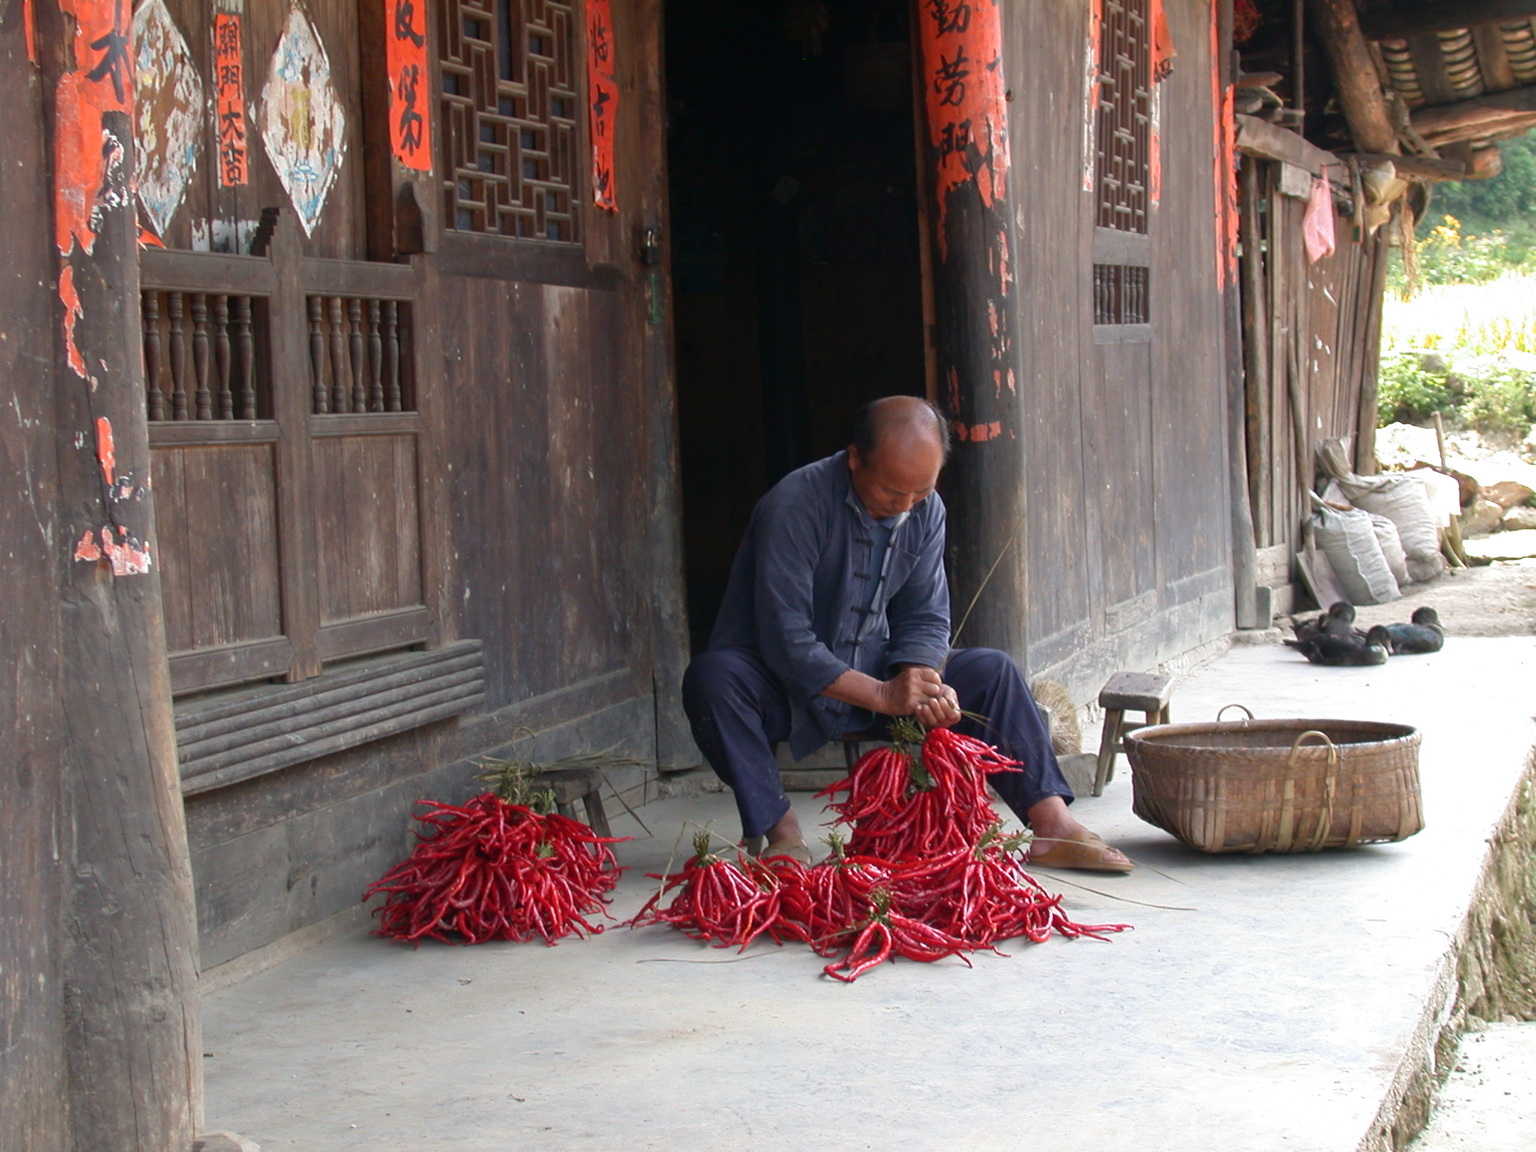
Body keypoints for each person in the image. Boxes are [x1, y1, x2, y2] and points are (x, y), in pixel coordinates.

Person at [682, 395, 1133, 872]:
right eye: (892, 492)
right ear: (854, 459)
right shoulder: (795, 504)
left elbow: (925, 614)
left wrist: (921, 679)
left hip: (877, 669)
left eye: (920, 491)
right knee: (712, 680)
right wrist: (882, 694)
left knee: (993, 671)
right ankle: (783, 833)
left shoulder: (925, 508)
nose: (905, 506)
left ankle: (1053, 827)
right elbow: (785, 639)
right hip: (783, 686)